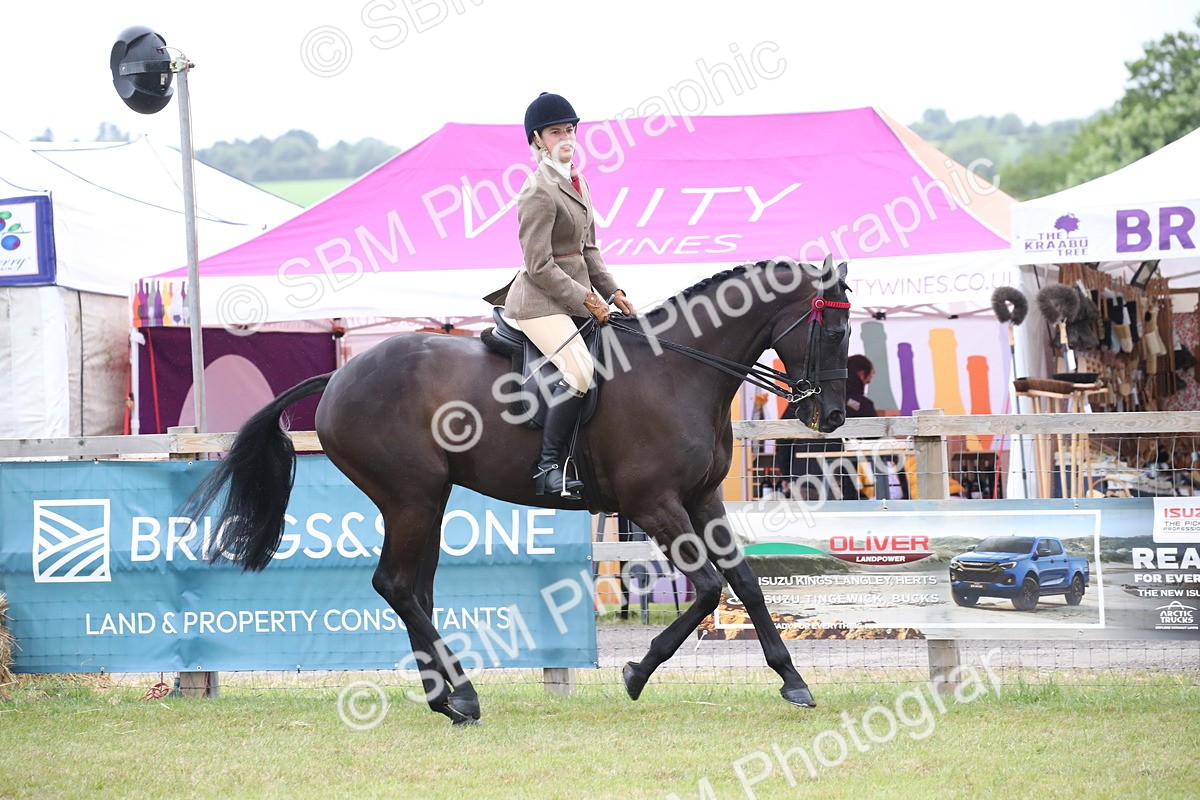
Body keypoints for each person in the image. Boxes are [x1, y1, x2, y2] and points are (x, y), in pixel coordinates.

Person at [484, 92, 635, 499]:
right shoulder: (537, 190)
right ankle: (548, 469)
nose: (567, 137)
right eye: (557, 131)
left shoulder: (578, 182)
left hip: (576, 294)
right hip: (538, 301)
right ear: (538, 139)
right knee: (581, 372)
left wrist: (613, 291)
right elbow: (539, 265)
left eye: (570, 129)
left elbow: (589, 250)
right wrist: (588, 301)